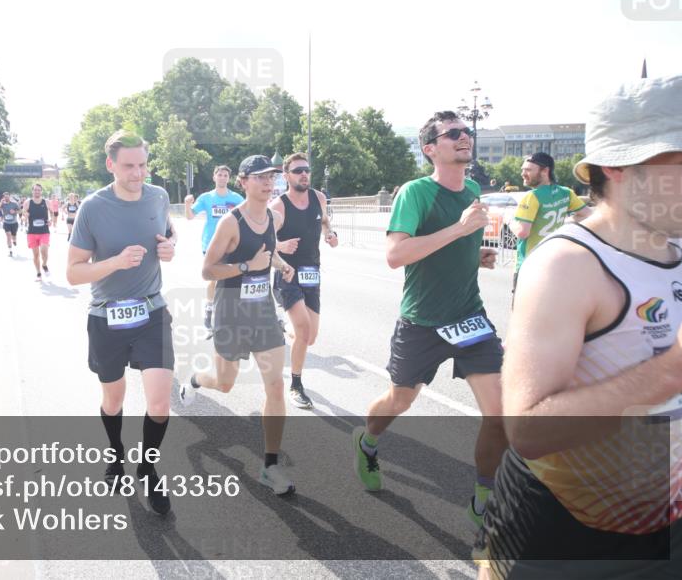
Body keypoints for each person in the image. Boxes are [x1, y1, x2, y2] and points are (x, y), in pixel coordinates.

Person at [474, 73, 682, 579]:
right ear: (618, 166)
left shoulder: (681, 245)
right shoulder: (567, 266)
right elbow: (526, 429)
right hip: (562, 538)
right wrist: (674, 368)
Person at [354, 111, 506, 529]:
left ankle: (483, 502)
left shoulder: (472, 189)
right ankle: (367, 441)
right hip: (422, 322)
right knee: (400, 400)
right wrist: (459, 233)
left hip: (469, 317)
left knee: (500, 414)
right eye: (452, 133)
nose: (464, 137)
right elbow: (395, 255)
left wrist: (474, 256)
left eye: (466, 132)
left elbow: (450, 250)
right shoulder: (415, 193)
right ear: (430, 149)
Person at [65, 129, 178, 516]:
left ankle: (147, 466)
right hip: (107, 315)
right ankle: (116, 452)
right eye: (129, 166)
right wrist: (114, 262)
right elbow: (73, 273)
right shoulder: (93, 208)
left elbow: (167, 237)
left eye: (143, 164)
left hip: (151, 310)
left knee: (160, 402)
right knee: (113, 400)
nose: (138, 173)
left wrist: (169, 249)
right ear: (111, 164)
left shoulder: (159, 196)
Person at [180, 155, 299, 496]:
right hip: (230, 309)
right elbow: (208, 270)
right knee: (226, 383)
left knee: (276, 385)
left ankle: (270, 466)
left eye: (272, 177)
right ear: (243, 182)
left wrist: (281, 264)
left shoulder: (273, 218)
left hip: (262, 309)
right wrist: (248, 266)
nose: (268, 182)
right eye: (260, 177)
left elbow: (269, 251)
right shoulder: (231, 223)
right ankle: (196, 379)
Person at [269, 153, 338, 409]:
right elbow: (263, 242)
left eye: (306, 169)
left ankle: (283, 327)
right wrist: (280, 244)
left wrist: (330, 234)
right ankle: (296, 384)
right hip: (287, 272)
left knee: (310, 337)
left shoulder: (318, 198)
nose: (304, 174)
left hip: (312, 271)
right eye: (298, 170)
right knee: (303, 329)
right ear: (286, 176)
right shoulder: (279, 206)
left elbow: (325, 222)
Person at [510, 152, 591, 301]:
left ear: (545, 171)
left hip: (529, 264)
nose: (523, 174)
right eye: (523, 169)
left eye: (528, 170)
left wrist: (509, 221)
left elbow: (522, 232)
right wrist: (566, 222)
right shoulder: (566, 193)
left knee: (523, 314)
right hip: (554, 262)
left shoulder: (531, 196)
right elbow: (587, 214)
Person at [184, 165, 245, 334]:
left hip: (231, 245)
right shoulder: (206, 197)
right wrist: (187, 204)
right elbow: (189, 217)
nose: (222, 177)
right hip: (210, 245)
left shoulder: (237, 198)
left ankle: (230, 315)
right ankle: (209, 308)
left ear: (228, 178)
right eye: (220, 174)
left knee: (232, 279)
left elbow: (247, 217)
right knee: (214, 279)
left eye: (226, 175)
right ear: (214, 177)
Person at [22, 183, 52, 280]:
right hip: (32, 232)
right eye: (35, 190)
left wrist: (51, 219)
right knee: (35, 255)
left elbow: (52, 212)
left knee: (44, 251)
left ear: (41, 191)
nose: (37, 191)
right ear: (32, 191)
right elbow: (23, 214)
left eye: (39, 190)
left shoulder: (46, 202)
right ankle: (38, 273)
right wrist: (24, 217)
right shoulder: (27, 202)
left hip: (44, 231)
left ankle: (44, 264)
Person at [0, 192, 20, 257]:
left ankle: (14, 240)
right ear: (3, 197)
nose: (6, 198)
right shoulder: (2, 204)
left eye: (7, 196)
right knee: (8, 236)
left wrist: (15, 211)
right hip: (6, 223)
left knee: (14, 236)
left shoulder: (14, 204)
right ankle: (10, 251)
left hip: (14, 223)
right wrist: (1, 202)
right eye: (5, 197)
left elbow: (20, 211)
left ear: (9, 196)